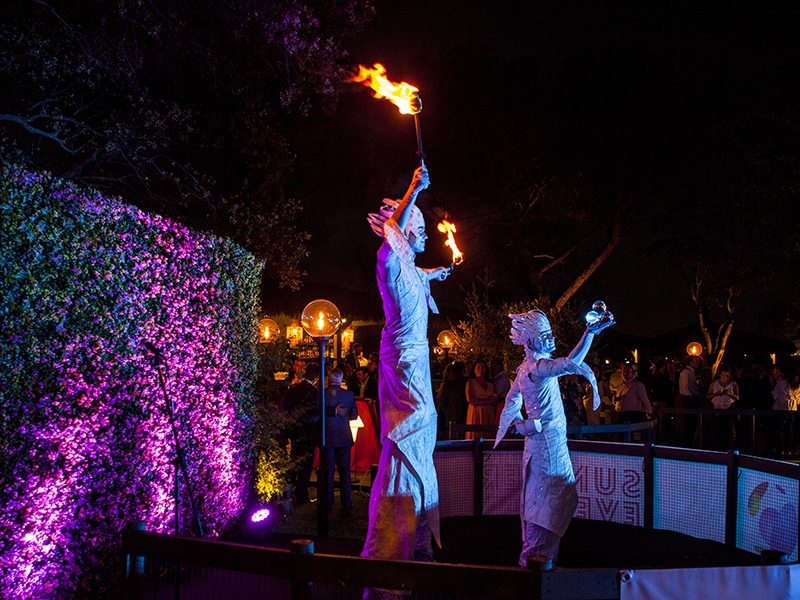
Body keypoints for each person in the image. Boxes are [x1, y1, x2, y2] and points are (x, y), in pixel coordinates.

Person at [361, 166, 451, 594]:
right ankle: (390, 554)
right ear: (402, 231)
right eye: (421, 229)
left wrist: (435, 272)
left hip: (418, 361)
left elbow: (419, 272)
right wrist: (413, 188)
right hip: (402, 363)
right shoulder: (389, 262)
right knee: (409, 429)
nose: (427, 235)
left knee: (423, 430)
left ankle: (419, 540)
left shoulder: (411, 268)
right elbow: (394, 245)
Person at [495, 308, 612, 567]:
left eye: (550, 333)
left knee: (544, 504)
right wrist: (589, 333)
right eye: (545, 335)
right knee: (549, 505)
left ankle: (536, 565)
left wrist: (521, 425)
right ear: (530, 341)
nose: (551, 338)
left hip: (541, 447)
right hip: (548, 451)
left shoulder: (524, 370)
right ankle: (537, 571)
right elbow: (569, 362)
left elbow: (510, 402)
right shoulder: (537, 368)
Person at [283, 362, 320, 505]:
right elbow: (315, 410)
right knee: (306, 463)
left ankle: (289, 488)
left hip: (295, 429)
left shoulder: (295, 389)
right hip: (308, 430)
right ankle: (301, 493)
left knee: (294, 457)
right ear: (316, 377)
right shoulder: (314, 391)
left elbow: (287, 405)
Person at [323, 368, 358, 509]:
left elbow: (317, 412)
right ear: (341, 379)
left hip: (328, 436)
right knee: (345, 470)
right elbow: (354, 415)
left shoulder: (323, 393)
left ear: (329, 379)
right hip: (343, 435)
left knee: (328, 470)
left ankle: (328, 501)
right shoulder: (349, 394)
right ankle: (346, 501)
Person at [706, 363, 738, 450]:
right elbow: (708, 395)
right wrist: (716, 394)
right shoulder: (714, 383)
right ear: (719, 374)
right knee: (716, 431)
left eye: (727, 375)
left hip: (728, 410)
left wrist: (730, 394)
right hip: (716, 411)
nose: (725, 377)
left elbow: (737, 397)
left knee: (728, 432)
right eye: (723, 375)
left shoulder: (733, 384)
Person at [465, 359, 498, 439]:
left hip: (488, 413)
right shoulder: (470, 383)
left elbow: (495, 399)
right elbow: (471, 400)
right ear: (474, 370)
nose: (481, 369)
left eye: (483, 367)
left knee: (488, 435)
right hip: (476, 413)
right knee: (476, 434)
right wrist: (488, 401)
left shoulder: (490, 384)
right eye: (478, 367)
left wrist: (479, 401)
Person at [436, 361, 469, 438]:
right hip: (467, 414)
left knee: (454, 438)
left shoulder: (448, 386)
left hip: (452, 417)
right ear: (463, 370)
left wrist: (448, 412)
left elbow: (442, 402)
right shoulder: (468, 383)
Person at [490, 359, 511, 425]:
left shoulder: (502, 379)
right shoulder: (498, 379)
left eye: (493, 368)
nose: (491, 371)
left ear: (498, 368)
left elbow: (496, 393)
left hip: (500, 406)